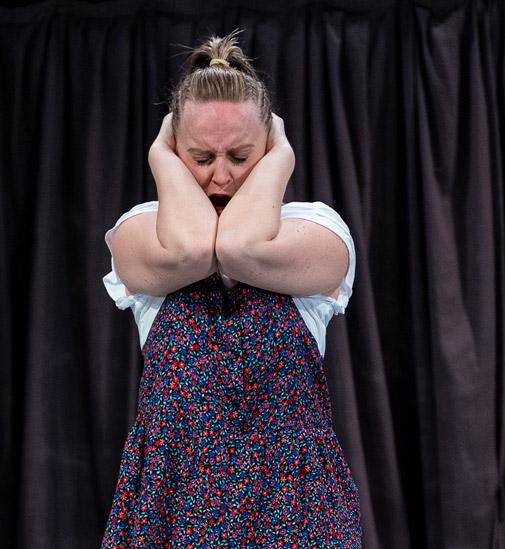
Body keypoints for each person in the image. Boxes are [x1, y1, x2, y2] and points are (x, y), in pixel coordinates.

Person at [100, 32, 361, 546]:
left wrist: (281, 156)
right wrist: (159, 151)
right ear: (174, 149)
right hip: (173, 499)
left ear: (269, 146)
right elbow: (194, 252)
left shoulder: (317, 227)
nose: (221, 176)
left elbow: (240, 249)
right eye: (199, 157)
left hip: (296, 503)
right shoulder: (143, 227)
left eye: (241, 156)